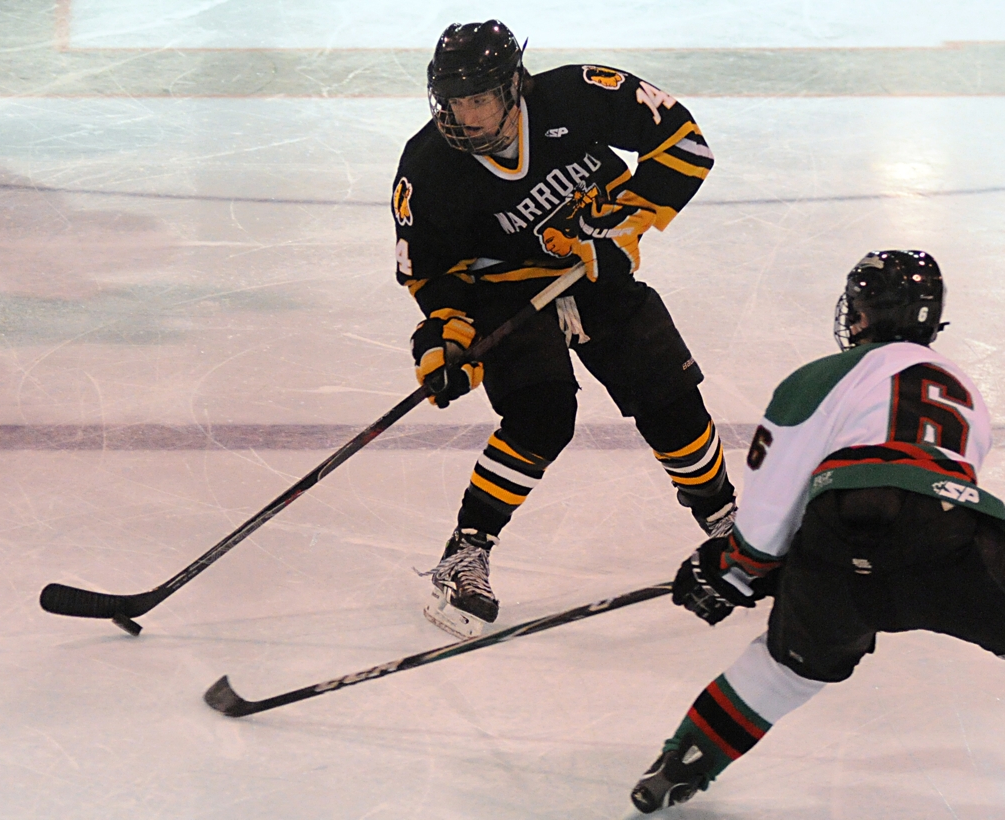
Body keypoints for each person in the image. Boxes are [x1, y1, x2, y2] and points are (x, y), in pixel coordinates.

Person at [391, 19, 737, 638]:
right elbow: (431, 272)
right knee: (540, 414)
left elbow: (686, 143)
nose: (464, 116)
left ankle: (726, 522)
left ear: (513, 86)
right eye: (453, 102)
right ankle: (466, 552)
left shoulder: (579, 95)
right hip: (502, 288)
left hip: (595, 267)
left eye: (478, 99)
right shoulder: (428, 168)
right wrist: (448, 337)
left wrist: (622, 226)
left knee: (671, 401)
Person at [630, 250, 1005, 812]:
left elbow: (777, 486)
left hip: (845, 529)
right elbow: (930, 485)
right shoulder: (967, 390)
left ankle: (681, 764)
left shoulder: (823, 376)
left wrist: (739, 566)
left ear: (864, 312)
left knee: (790, 666)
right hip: (951, 529)